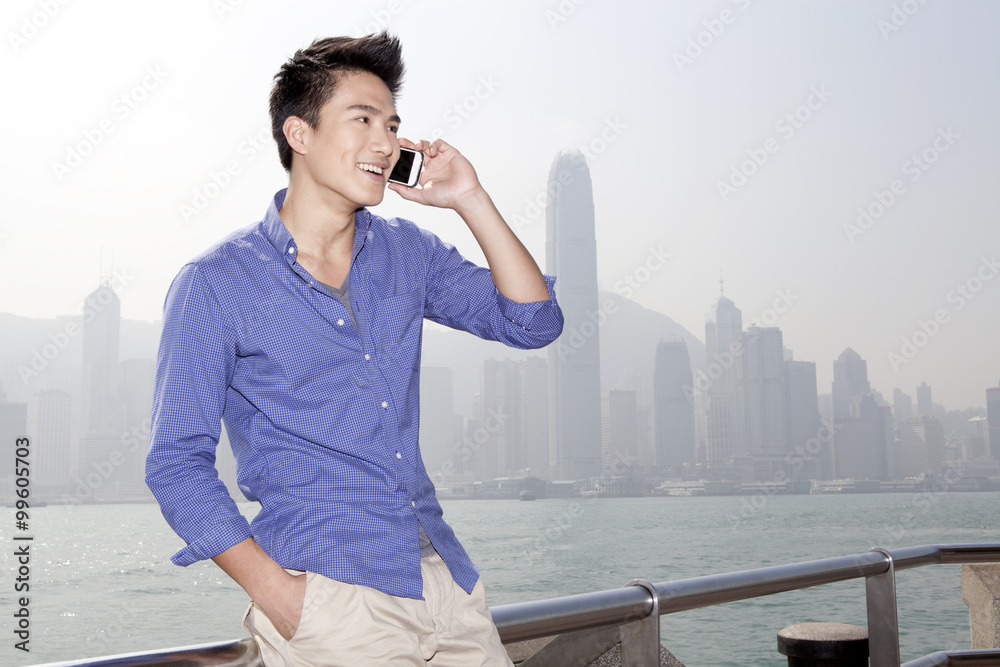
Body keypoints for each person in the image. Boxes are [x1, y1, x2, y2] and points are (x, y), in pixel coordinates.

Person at [145, 32, 563, 666]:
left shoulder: (408, 254)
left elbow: (534, 323)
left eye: (392, 125)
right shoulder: (217, 284)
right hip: (329, 602)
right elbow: (176, 464)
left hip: (446, 587)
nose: (385, 141)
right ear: (300, 134)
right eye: (362, 119)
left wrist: (469, 198)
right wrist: (281, 598)